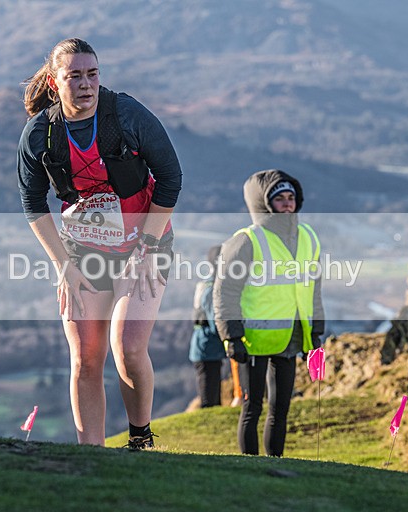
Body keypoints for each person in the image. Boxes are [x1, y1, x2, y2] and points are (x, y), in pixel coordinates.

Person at [17, 38, 182, 449]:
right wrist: (63, 265)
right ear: (55, 84)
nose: (85, 84)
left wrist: (147, 246)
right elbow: (32, 202)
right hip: (82, 250)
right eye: (74, 76)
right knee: (86, 356)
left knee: (128, 347)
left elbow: (170, 177)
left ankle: (140, 439)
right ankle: (92, 456)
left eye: (92, 74)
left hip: (145, 243)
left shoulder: (126, 115)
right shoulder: (40, 133)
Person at [214, 169, 324, 456]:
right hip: (252, 340)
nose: (287, 203)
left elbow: (313, 288)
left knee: (281, 408)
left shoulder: (309, 237)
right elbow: (225, 291)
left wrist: (316, 332)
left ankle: (276, 462)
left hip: (291, 336)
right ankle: (249, 468)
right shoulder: (246, 240)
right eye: (279, 198)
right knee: (252, 407)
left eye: (291, 197)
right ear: (264, 204)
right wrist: (231, 336)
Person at [188, 245, 226, 408]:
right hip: (207, 350)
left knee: (213, 398)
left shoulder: (207, 285)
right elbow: (215, 323)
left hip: (207, 349)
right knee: (209, 401)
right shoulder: (212, 290)